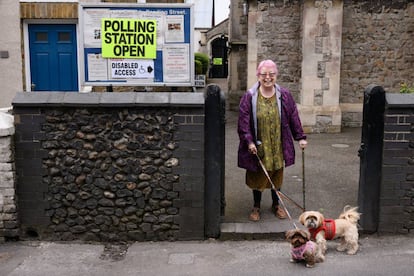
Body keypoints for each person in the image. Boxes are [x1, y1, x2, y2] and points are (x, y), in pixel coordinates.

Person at [237, 59, 307, 222]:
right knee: (257, 176)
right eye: (264, 74)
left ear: (276, 75)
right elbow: (243, 122)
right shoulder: (249, 97)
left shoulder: (285, 95)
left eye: (271, 74)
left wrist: (300, 137)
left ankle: (276, 204)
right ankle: (256, 206)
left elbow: (293, 117)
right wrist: (249, 141)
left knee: (276, 175)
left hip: (277, 144)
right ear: (258, 76)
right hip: (259, 145)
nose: (268, 77)